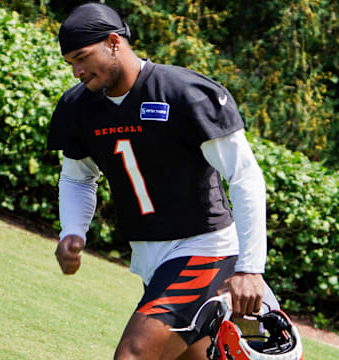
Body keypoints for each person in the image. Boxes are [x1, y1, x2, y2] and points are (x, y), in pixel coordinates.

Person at [47, 3, 279, 359]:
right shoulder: (78, 107)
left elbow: (244, 176)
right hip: (151, 259)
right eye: (70, 63)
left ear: (113, 42)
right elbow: (77, 178)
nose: (77, 71)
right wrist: (72, 232)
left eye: (82, 57)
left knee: (134, 354)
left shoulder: (184, 92)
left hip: (205, 248)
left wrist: (250, 268)